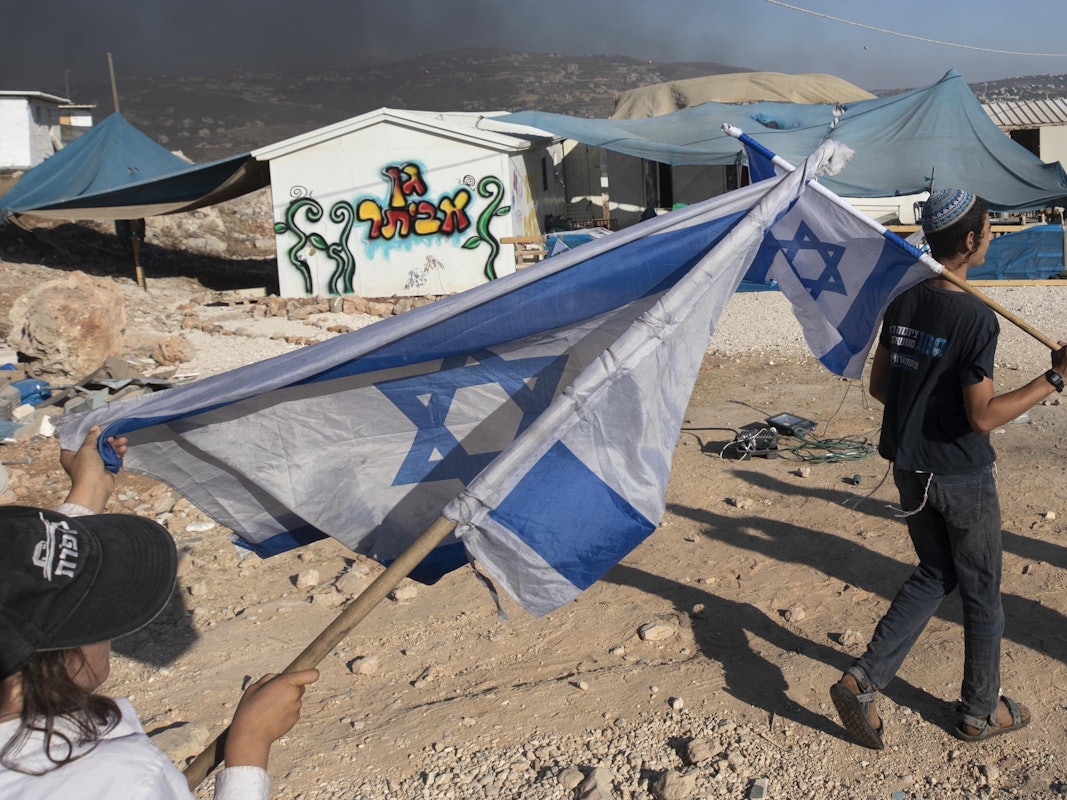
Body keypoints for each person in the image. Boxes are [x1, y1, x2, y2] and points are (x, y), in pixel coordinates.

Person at [830, 188, 1067, 749]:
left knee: (938, 571)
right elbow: (982, 418)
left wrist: (927, 403)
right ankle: (979, 713)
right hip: (960, 475)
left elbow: (883, 386)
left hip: (911, 470)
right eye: (988, 229)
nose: (990, 236)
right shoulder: (974, 317)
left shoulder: (904, 299)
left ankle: (861, 681)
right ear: (968, 239)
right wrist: (1054, 379)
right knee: (983, 590)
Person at [0, 426, 319, 798]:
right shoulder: (111, 778)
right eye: (99, 614)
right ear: (60, 655)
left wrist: (86, 498)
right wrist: (249, 744)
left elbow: (22, 590)